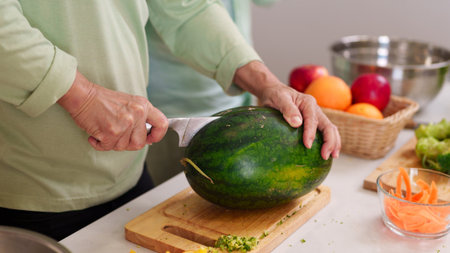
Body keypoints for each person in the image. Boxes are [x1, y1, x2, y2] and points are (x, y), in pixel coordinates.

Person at [0, 0, 340, 241]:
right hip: (32, 196)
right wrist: (82, 95)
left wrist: (267, 84)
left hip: (130, 176)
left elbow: (185, 8)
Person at [146, 0, 280, 185]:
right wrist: (266, 84)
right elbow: (188, 12)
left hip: (239, 98)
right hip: (172, 115)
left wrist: (267, 86)